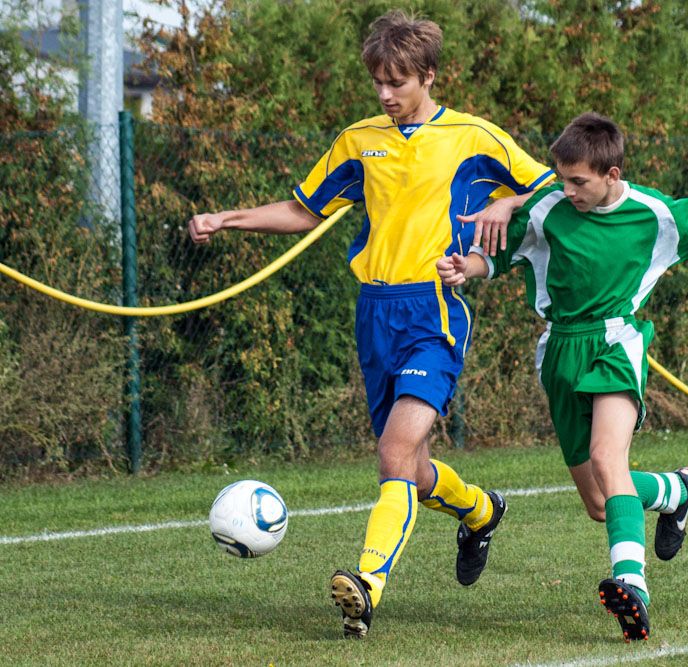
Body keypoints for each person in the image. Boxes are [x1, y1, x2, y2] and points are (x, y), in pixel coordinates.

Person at [188, 10, 555, 640]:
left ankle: (367, 586)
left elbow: (552, 191)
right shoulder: (360, 140)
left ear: (429, 76)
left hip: (433, 310)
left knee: (393, 452)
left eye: (397, 82)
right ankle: (480, 510)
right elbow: (304, 210)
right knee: (410, 469)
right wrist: (229, 218)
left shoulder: (473, 136)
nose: (385, 94)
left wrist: (506, 200)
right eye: (378, 83)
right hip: (374, 313)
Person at [437, 112, 688, 641]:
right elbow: (497, 258)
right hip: (560, 350)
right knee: (600, 503)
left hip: (618, 340)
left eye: (579, 181)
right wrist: (469, 269)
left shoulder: (657, 213)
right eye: (561, 176)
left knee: (607, 457)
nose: (567, 188)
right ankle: (675, 491)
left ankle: (632, 588)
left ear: (612, 175)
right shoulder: (545, 209)